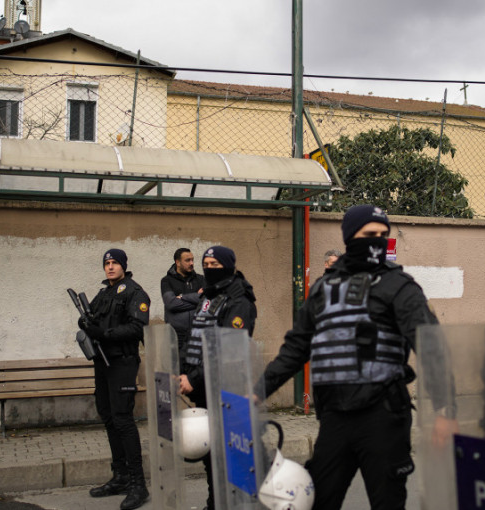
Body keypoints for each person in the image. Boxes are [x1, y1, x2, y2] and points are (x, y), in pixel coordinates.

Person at [260, 205, 437, 510]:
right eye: (370, 234)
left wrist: (445, 409)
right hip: (335, 418)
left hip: (383, 415)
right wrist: (257, 391)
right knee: (319, 500)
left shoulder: (399, 286)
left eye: (384, 235)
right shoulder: (323, 289)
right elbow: (295, 348)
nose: (378, 241)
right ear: (349, 236)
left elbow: (433, 347)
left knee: (388, 503)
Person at [177, 245, 257, 510]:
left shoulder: (239, 299)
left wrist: (194, 378)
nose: (209, 268)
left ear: (228, 265)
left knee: (227, 455)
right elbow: (197, 337)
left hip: (227, 388)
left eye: (215, 264)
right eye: (206, 264)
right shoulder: (209, 296)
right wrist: (185, 371)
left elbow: (227, 348)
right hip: (204, 386)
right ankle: (216, 503)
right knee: (212, 455)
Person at [79, 249, 151, 510]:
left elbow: (137, 327)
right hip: (102, 362)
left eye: (114, 263)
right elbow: (94, 322)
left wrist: (104, 333)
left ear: (124, 266)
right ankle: (120, 476)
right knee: (108, 416)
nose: (110, 267)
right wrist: (86, 323)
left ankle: (138, 485)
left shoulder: (135, 292)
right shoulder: (103, 293)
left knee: (123, 419)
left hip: (122, 362)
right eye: (107, 263)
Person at [160, 247, 205, 356]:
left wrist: (183, 297)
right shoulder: (167, 281)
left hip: (198, 334)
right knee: (177, 369)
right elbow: (171, 304)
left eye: (192, 260)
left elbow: (206, 301)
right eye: (187, 260)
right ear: (178, 262)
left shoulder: (201, 279)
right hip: (176, 336)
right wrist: (196, 297)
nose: (191, 263)